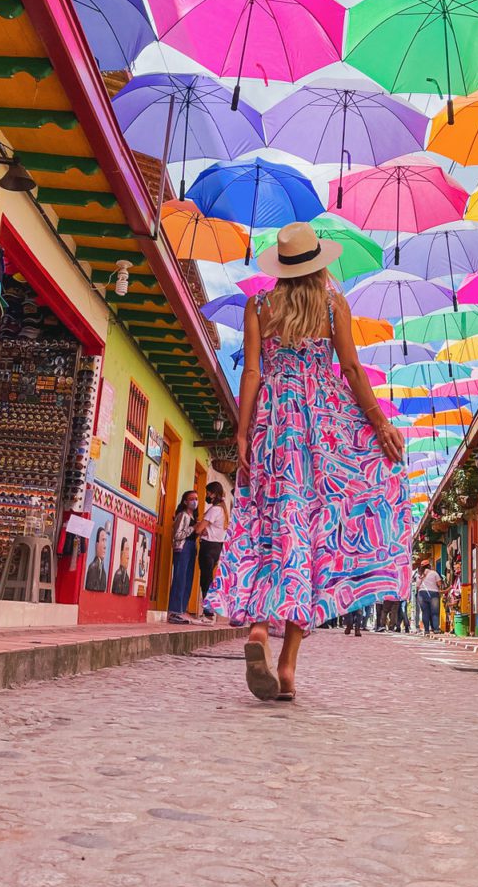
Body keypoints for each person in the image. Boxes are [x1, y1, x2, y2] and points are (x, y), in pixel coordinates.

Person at [207, 222, 410, 701]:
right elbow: (353, 370)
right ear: (318, 264)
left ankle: (258, 627)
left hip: (274, 426)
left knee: (266, 524)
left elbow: (252, 370)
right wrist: (380, 425)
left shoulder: (259, 306)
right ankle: (289, 665)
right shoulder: (332, 304)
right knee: (313, 533)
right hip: (322, 430)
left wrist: (243, 429)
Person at [195, 481, 228, 618]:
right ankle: (208, 609)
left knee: (205, 579)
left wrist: (199, 529)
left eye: (208, 493)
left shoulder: (214, 510)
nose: (207, 495)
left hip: (208, 547)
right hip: (217, 547)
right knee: (209, 578)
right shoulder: (222, 510)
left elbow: (199, 528)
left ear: (214, 494)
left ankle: (208, 610)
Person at [167, 491, 198, 624]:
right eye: (191, 499)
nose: (195, 501)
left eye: (196, 499)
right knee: (180, 578)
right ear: (185, 501)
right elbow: (178, 535)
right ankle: (174, 611)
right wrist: (193, 528)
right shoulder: (182, 515)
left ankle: (182, 609)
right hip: (182, 548)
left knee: (188, 580)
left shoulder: (194, 517)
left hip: (191, 548)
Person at [418, 560, 443, 636]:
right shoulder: (434, 573)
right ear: (429, 565)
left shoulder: (419, 575)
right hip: (433, 593)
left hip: (422, 593)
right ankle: (436, 629)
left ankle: (426, 630)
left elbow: (417, 586)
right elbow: (439, 583)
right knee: (435, 612)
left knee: (425, 612)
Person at [85, 525, 109, 592]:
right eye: (103, 540)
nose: (105, 546)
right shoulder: (92, 567)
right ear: (97, 545)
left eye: (105, 541)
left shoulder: (104, 572)